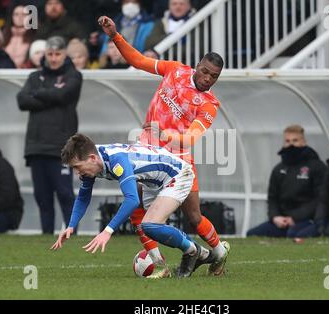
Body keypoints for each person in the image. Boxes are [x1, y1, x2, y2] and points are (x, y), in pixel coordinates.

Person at [98, 15, 230, 278]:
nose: (207, 79)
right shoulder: (176, 70)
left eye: (213, 76)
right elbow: (138, 61)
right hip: (148, 152)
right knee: (135, 203)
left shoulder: (209, 104)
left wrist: (164, 133)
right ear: (197, 66)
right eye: (204, 71)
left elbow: (190, 138)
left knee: (193, 217)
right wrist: (115, 36)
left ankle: (218, 252)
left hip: (179, 161)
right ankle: (158, 262)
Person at [51, 134, 211, 278]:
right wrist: (71, 226)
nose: (77, 173)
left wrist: (107, 231)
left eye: (77, 167)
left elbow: (132, 199)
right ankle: (184, 259)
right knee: (147, 224)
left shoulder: (116, 161)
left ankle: (193, 251)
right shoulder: (92, 160)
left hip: (177, 174)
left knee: (151, 225)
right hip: (154, 182)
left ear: (92, 158)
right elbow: (83, 196)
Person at [17, 36, 82, 234]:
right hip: (36, 145)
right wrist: (51, 94)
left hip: (61, 147)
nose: (53, 58)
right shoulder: (34, 77)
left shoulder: (74, 76)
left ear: (64, 54)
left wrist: (37, 94)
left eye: (57, 54)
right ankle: (46, 236)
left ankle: (72, 234)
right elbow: (22, 100)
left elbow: (63, 96)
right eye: (50, 54)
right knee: (42, 196)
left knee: (64, 193)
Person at [246, 125, 326, 238]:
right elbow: (272, 198)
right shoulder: (279, 169)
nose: (291, 145)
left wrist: (295, 217)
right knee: (252, 234)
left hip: (307, 220)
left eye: (295, 140)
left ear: (303, 142)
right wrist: (275, 217)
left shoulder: (317, 167)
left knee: (293, 234)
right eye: (287, 141)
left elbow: (320, 199)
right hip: (282, 221)